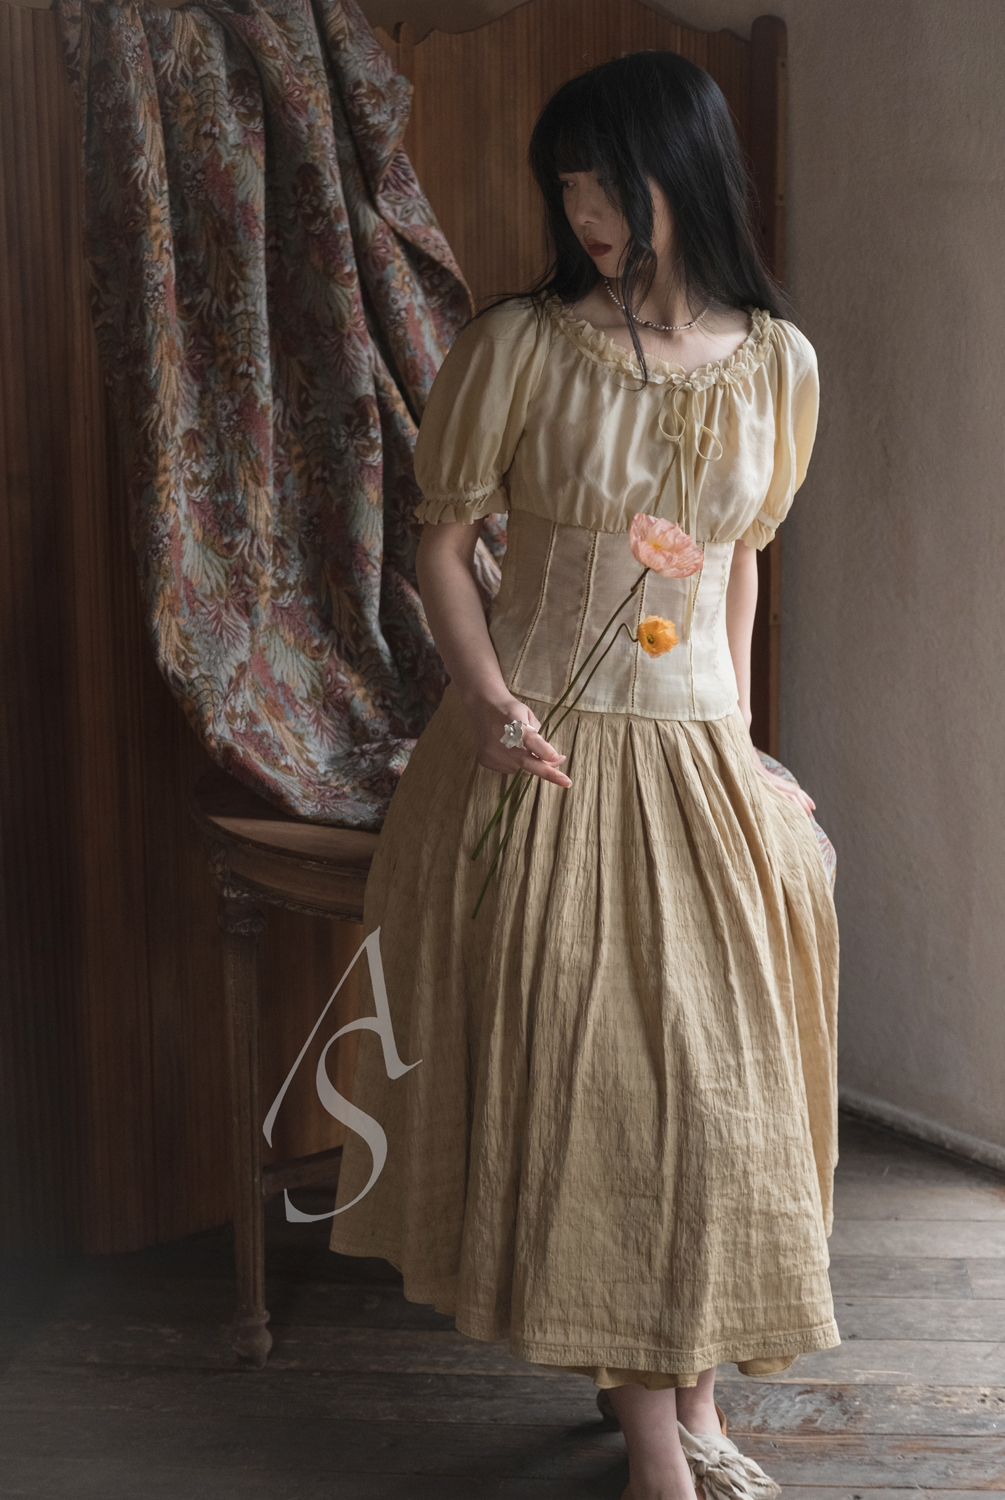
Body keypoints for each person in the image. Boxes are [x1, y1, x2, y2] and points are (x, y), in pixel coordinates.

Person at [330, 49, 840, 1500]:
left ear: (684, 177)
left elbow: (738, 561)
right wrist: (488, 701)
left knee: (719, 1094)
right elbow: (441, 545)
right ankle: (653, 1446)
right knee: (615, 1092)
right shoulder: (520, 344)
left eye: (605, 184)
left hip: (695, 751)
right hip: (541, 751)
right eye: (565, 189)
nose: (584, 214)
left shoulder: (778, 362)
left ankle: (699, 1404)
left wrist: (743, 744)